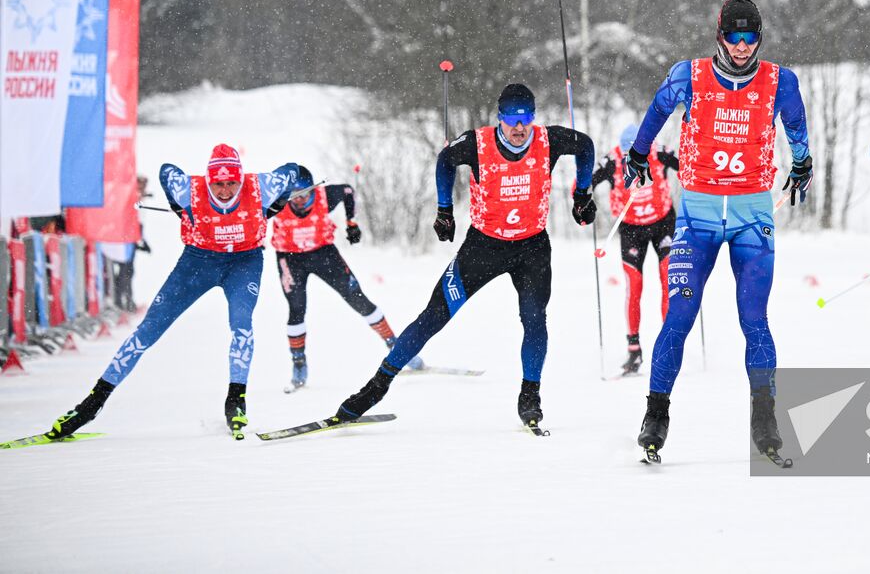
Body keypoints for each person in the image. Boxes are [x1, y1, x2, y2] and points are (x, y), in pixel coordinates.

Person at [334, 83, 595, 433]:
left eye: (526, 119)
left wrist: (581, 194)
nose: (519, 128)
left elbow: (587, 146)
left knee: (535, 320)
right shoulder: (478, 143)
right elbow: (445, 160)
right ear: (499, 118)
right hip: (483, 248)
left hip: (532, 247)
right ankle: (376, 387)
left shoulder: (549, 140)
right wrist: (444, 211)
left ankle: (530, 394)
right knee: (435, 315)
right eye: (511, 119)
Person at [630, 0, 812, 464]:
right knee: (680, 316)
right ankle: (656, 414)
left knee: (754, 319)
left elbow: (796, 125)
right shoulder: (688, 75)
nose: (742, 46)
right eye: (733, 36)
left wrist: (803, 162)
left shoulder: (780, 82)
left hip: (753, 214)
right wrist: (637, 154)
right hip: (698, 213)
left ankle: (765, 421)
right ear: (720, 35)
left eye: (750, 36)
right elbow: (656, 110)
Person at [45, 146, 307, 441]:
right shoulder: (189, 190)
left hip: (243, 263)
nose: (224, 191)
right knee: (147, 331)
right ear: (208, 180)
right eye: (217, 184)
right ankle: (91, 404)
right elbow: (166, 170)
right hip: (197, 264)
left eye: (231, 183)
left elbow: (294, 170)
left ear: (240, 179)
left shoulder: (262, 186)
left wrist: (278, 202)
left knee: (242, 325)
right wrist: (176, 204)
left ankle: (236, 400)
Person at [271, 174, 422, 392]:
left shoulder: (325, 196)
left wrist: (351, 222)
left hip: (323, 254)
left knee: (358, 299)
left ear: (313, 190)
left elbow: (348, 191)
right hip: (290, 258)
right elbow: (251, 210)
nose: (299, 201)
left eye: (304, 194)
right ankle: (299, 363)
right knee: (296, 309)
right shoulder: (278, 202)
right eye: (294, 196)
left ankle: (396, 347)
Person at [593, 123, 680, 375]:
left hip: (663, 223)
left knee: (668, 280)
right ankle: (634, 350)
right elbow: (585, 181)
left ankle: (670, 348)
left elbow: (689, 166)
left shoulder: (659, 151)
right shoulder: (611, 160)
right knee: (634, 286)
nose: (635, 158)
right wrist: (583, 196)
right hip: (631, 229)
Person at [99, 175, 152, 313]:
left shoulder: (138, 200)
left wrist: (142, 241)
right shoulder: (128, 199)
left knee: (127, 272)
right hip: (123, 241)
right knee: (123, 272)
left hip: (131, 240)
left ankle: (126, 302)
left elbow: (138, 224)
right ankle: (121, 302)